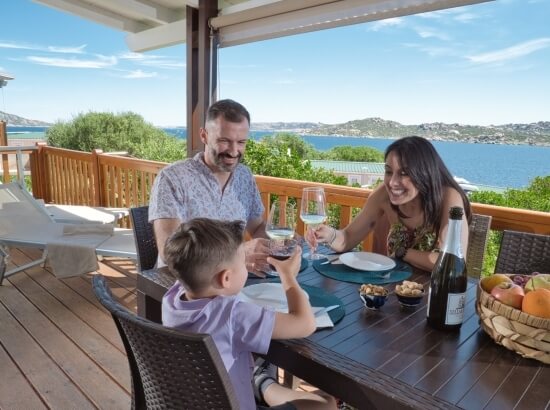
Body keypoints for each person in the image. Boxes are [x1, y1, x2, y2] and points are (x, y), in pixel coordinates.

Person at [162, 218, 337, 410]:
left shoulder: (172, 297)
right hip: (234, 404)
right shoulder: (233, 315)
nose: (246, 266)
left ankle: (261, 382)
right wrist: (288, 276)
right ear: (226, 278)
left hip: (199, 399)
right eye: (243, 263)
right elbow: (305, 324)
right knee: (326, 404)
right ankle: (261, 383)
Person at [313, 136, 471, 273]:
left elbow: (453, 264)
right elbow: (347, 238)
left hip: (436, 295)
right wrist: (328, 234)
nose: (392, 182)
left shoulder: (448, 198)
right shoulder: (383, 195)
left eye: (404, 173)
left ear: (424, 174)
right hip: (394, 290)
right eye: (389, 171)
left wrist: (403, 253)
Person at [149, 99, 268, 274]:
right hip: (183, 283)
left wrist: (281, 240)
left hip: (233, 278)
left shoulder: (244, 176)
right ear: (204, 136)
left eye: (241, 142)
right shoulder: (173, 178)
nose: (234, 151)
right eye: (224, 141)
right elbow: (170, 253)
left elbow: (257, 227)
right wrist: (240, 253)